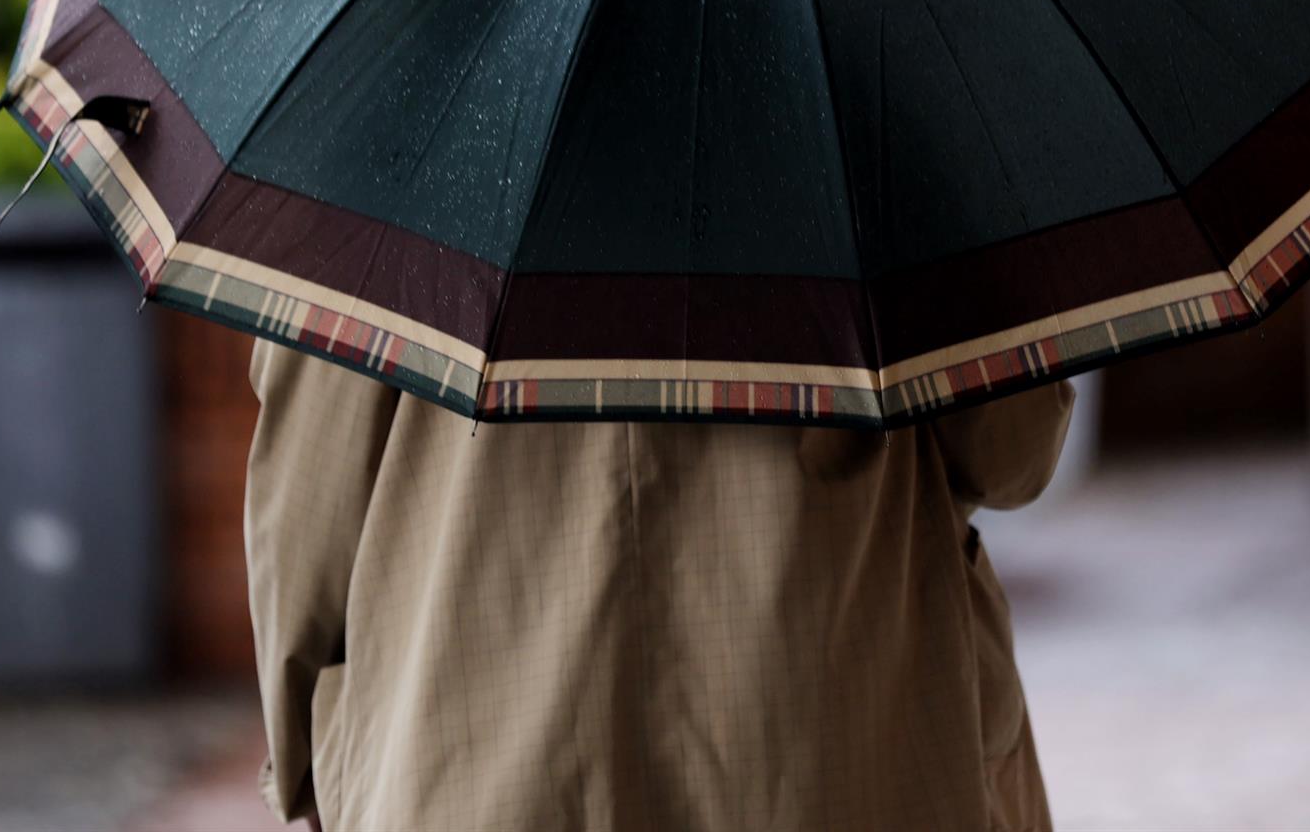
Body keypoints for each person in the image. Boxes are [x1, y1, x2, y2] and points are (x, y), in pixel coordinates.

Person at [244, 336, 1076, 831]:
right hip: (847, 745)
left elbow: (309, 497)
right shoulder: (881, 113)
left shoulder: (396, 126)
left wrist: (306, 759)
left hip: (467, 766)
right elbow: (1009, 454)